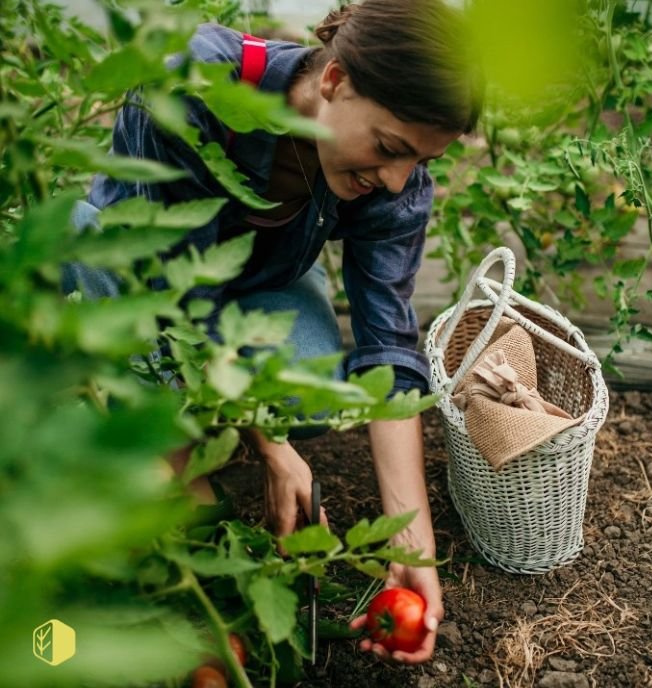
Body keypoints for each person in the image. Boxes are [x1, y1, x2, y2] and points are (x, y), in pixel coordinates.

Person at [84, 0, 483, 664]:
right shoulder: (196, 80)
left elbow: (388, 347)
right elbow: (168, 292)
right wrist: (269, 445)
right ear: (333, 81)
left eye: (418, 161)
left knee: (318, 392)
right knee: (89, 251)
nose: (394, 179)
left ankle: (194, 431)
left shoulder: (394, 183)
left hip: (252, 292)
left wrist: (411, 547)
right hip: (136, 280)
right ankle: (183, 494)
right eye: (388, 149)